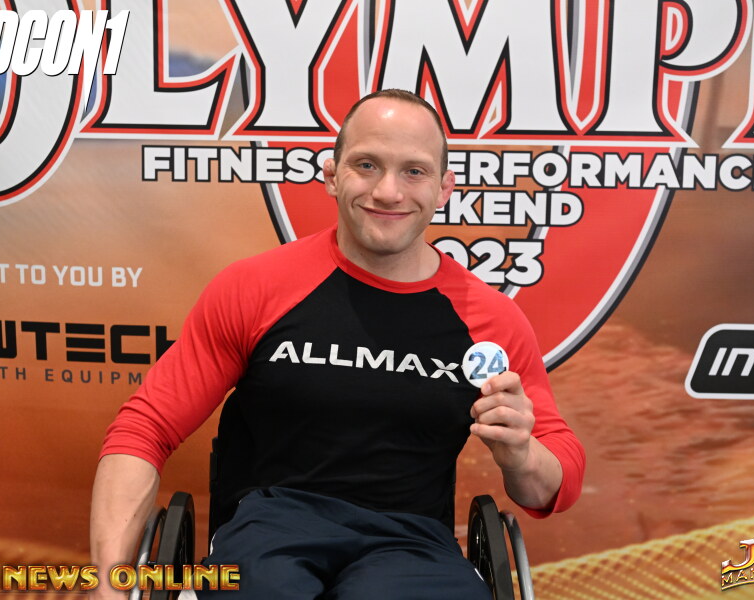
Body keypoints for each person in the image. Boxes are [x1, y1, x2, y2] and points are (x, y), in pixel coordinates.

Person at [90, 89, 585, 599]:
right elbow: (144, 429)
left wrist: (521, 455)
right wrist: (110, 584)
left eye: (414, 171)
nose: (388, 191)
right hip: (266, 532)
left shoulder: (491, 320)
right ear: (331, 175)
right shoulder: (256, 288)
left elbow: (558, 481)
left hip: (412, 546)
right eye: (366, 165)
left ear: (444, 188)